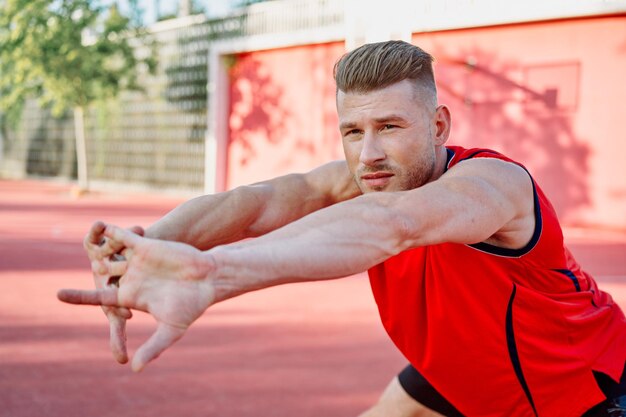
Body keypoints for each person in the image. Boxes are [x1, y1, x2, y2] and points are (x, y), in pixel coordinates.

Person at [58, 40, 625, 417]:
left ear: (438, 125)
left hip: (578, 392)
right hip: (456, 370)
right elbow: (257, 203)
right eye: (353, 131)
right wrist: (147, 244)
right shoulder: (367, 177)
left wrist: (215, 273)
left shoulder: (492, 185)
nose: (369, 153)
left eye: (390, 126)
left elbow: (394, 225)